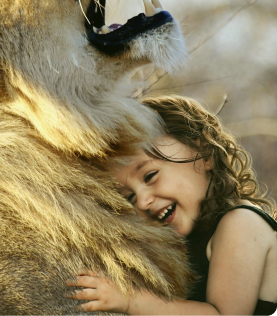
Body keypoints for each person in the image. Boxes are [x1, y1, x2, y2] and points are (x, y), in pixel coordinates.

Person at [66, 95, 277, 316]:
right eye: (129, 198)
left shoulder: (241, 224)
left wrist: (130, 301)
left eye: (150, 176)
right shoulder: (192, 241)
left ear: (204, 152)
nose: (143, 201)